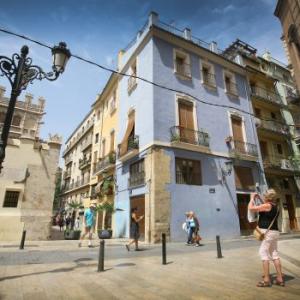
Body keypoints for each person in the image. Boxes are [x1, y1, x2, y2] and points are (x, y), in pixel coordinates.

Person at [248, 189, 284, 287]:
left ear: (267, 197)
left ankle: (267, 280)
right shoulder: (275, 206)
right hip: (275, 231)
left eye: (264, 196)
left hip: (267, 232)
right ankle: (280, 279)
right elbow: (266, 205)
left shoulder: (266, 206)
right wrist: (259, 198)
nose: (263, 197)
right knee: (274, 254)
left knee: (263, 253)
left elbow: (251, 208)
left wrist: (251, 198)